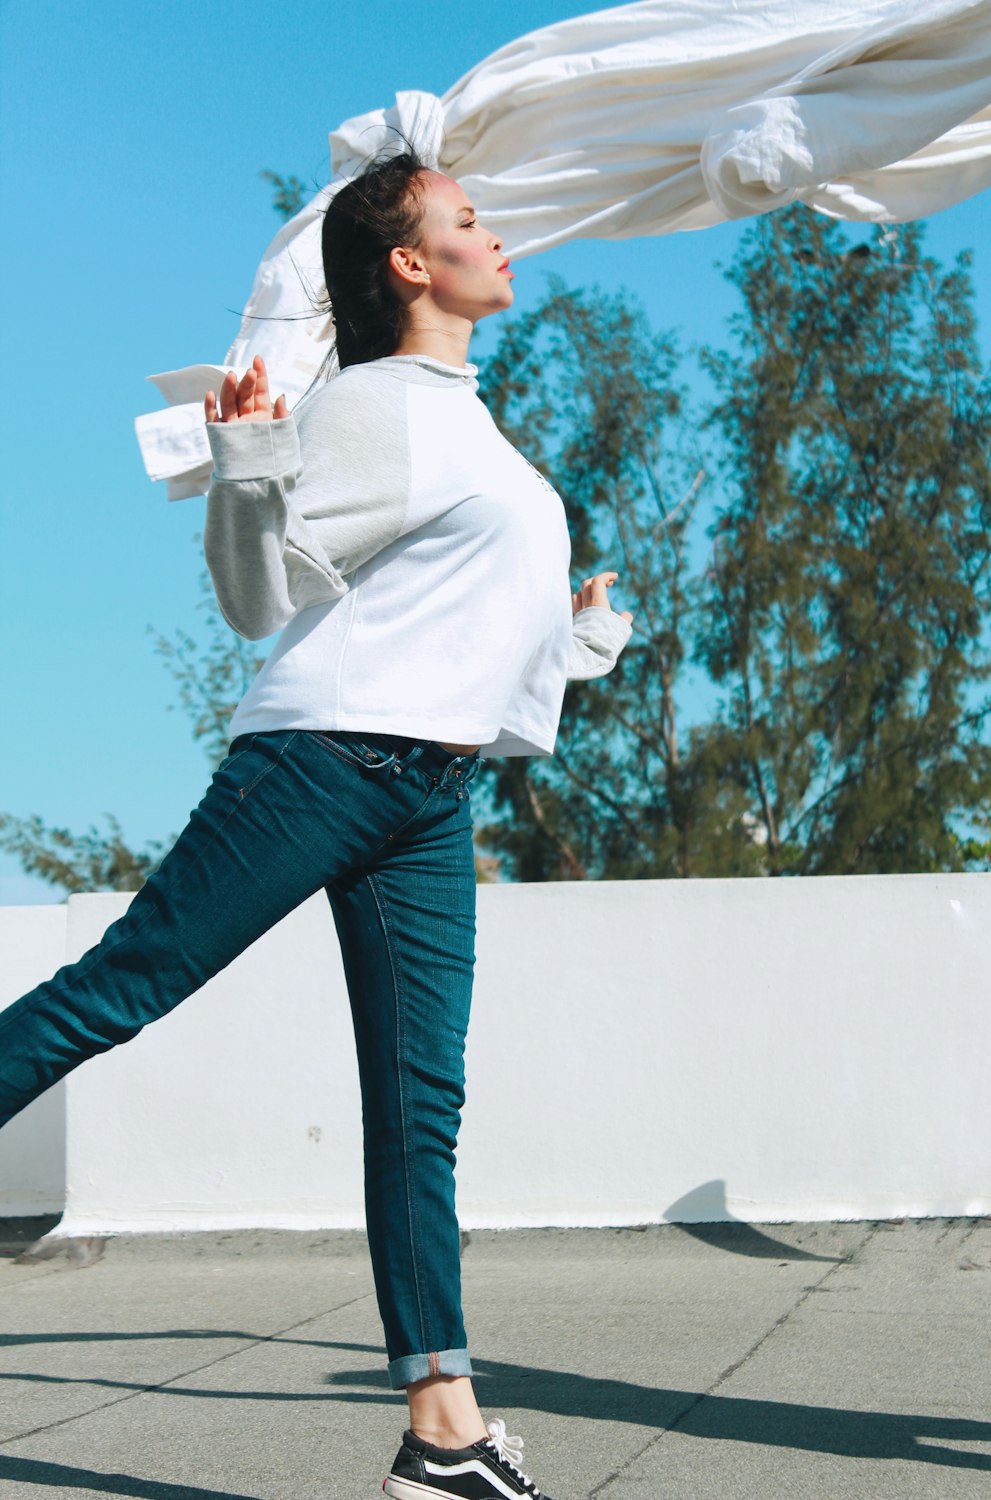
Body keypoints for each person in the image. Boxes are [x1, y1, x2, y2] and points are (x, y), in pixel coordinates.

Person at [0, 149, 633, 1499]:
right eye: (471, 221)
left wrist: (580, 642)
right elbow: (262, 594)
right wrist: (243, 463)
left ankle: (442, 1437)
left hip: (428, 794)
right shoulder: (377, 406)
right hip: (323, 762)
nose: (498, 236)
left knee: (420, 1108)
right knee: (125, 988)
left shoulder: (468, 417)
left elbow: (456, 622)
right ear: (411, 264)